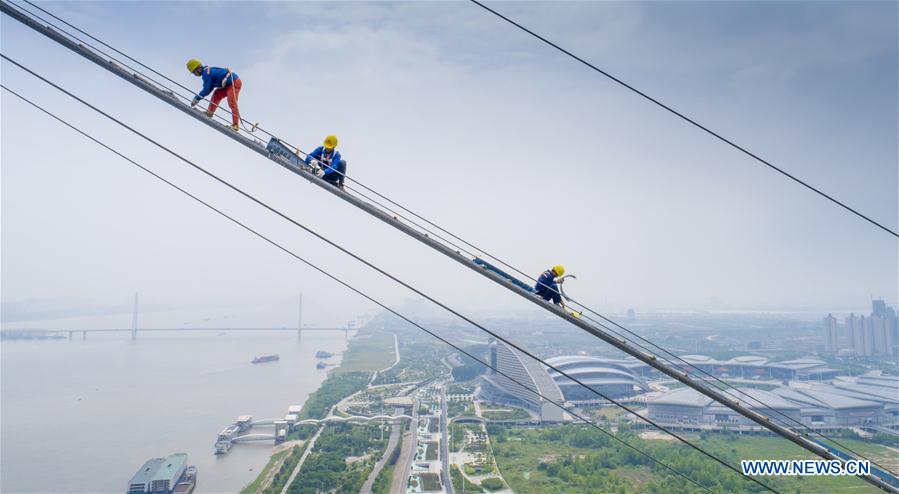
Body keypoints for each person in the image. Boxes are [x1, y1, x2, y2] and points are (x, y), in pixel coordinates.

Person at [186, 59, 242, 131]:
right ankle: (209, 113)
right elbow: (210, 87)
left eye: (194, 72)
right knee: (217, 94)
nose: (195, 75)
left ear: (198, 69)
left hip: (233, 83)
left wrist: (197, 98)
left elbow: (207, 89)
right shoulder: (207, 71)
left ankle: (235, 125)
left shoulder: (206, 73)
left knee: (232, 103)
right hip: (226, 85)